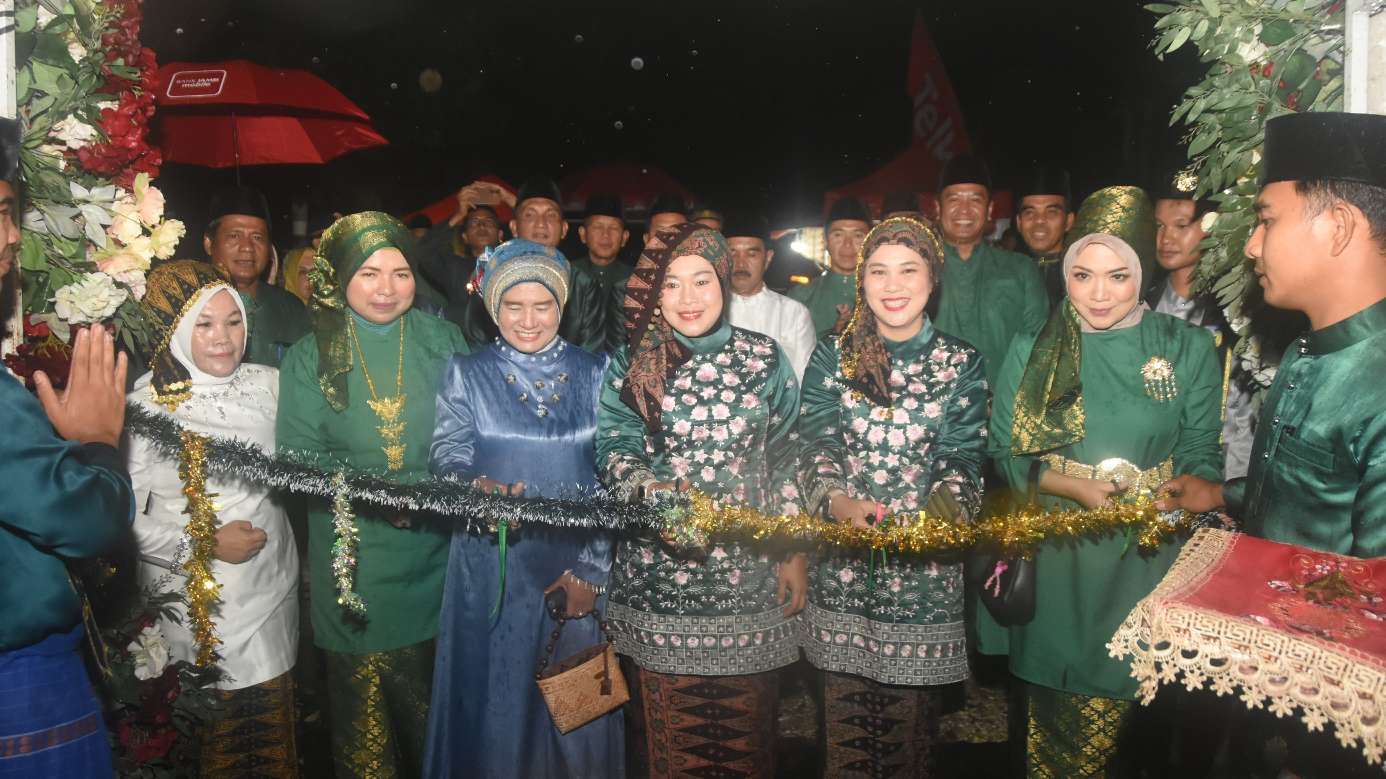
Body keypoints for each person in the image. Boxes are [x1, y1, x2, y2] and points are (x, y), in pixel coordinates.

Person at [1159, 112, 1386, 779]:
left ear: (1337, 226)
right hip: (1272, 696)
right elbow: (1313, 491)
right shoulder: (1309, 351)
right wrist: (1220, 496)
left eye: (1266, 220)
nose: (1252, 247)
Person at [977, 186, 1222, 776]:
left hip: (1150, 555)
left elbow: (1200, 450)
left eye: (1118, 276)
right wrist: (1071, 487)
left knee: (1141, 731)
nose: (1099, 294)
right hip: (1060, 552)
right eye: (1082, 275)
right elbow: (1003, 450)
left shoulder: (1186, 346)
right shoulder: (1033, 347)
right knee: (1059, 726)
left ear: (1142, 272)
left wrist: (1187, 493)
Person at [597, 224, 806, 778]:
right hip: (659, 582)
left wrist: (792, 551)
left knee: (748, 741)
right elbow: (615, 448)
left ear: (724, 284)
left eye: (702, 281)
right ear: (653, 292)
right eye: (670, 284)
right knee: (669, 743)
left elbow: (787, 458)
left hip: (751, 582)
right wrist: (652, 492)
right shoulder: (632, 363)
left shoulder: (764, 358)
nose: (687, 298)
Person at [276, 212, 469, 778]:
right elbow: (297, 460)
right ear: (339, 278)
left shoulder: (443, 339)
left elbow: (469, 435)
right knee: (367, 730)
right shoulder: (311, 353)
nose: (387, 288)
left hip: (436, 557)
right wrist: (375, 496)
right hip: (353, 562)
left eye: (401, 273)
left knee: (436, 716)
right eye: (369, 273)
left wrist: (434, 494)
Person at [797, 216, 989, 776]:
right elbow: (816, 441)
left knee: (910, 738)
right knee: (846, 732)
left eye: (909, 270)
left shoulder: (961, 361)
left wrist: (935, 518)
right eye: (878, 271)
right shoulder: (834, 355)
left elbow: (963, 456)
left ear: (933, 279)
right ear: (862, 281)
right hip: (842, 566)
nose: (893, 285)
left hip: (923, 572)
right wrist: (837, 502)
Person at [424, 239, 623, 778]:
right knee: (499, 706)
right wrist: (473, 486)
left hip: (575, 567)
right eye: (514, 306)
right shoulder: (466, 372)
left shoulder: (598, 371)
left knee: (577, 712)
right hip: (493, 566)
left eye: (543, 306)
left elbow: (613, 472)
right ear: (493, 307)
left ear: (562, 306)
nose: (528, 321)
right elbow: (446, 456)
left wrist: (592, 572)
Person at [126, 260, 300, 776]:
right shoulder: (146, 406)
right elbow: (120, 516)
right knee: (206, 739)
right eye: (203, 324)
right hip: (192, 601)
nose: (224, 338)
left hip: (271, 588)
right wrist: (202, 542)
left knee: (269, 734)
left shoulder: (271, 384)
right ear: (173, 331)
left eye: (233, 320)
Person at [1, 118, 134, 775]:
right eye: (1, 213)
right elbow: (85, 519)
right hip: (22, 688)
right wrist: (99, 446)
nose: (12, 235)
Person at [1151, 171, 1256, 479]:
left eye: (1181, 226)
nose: (1166, 239)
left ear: (1212, 226)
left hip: (1213, 473)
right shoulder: (1139, 303)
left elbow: (1243, 418)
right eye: (1159, 226)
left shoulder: (1235, 314)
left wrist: (1227, 492)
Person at [932, 154, 1050, 388]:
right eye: (954, 199)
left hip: (1002, 404)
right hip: (932, 405)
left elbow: (1039, 348)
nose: (964, 210)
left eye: (975, 200)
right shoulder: (916, 270)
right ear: (937, 208)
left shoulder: (1021, 269)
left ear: (989, 209)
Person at [204, 186, 310, 367]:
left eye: (257, 237)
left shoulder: (291, 309)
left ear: (269, 248)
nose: (247, 247)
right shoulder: (189, 306)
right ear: (209, 244)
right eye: (234, 235)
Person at [724, 212, 816, 378]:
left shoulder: (794, 314)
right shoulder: (706, 313)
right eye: (733, 253)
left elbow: (804, 379)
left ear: (768, 258)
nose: (740, 263)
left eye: (751, 254)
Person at [788, 196, 873, 337]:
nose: (847, 244)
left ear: (869, 241)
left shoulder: (884, 294)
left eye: (858, 235)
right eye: (838, 235)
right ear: (826, 241)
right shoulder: (801, 297)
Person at [1013, 165, 1075, 305]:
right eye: (1029, 212)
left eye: (1051, 212)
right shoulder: (1003, 273)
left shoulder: (1083, 274)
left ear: (1068, 221)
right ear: (1019, 222)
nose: (1039, 220)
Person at [573, 193, 632, 290]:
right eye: (598, 227)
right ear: (583, 234)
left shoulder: (636, 280)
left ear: (624, 237)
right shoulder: (567, 273)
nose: (605, 234)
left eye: (613, 228)